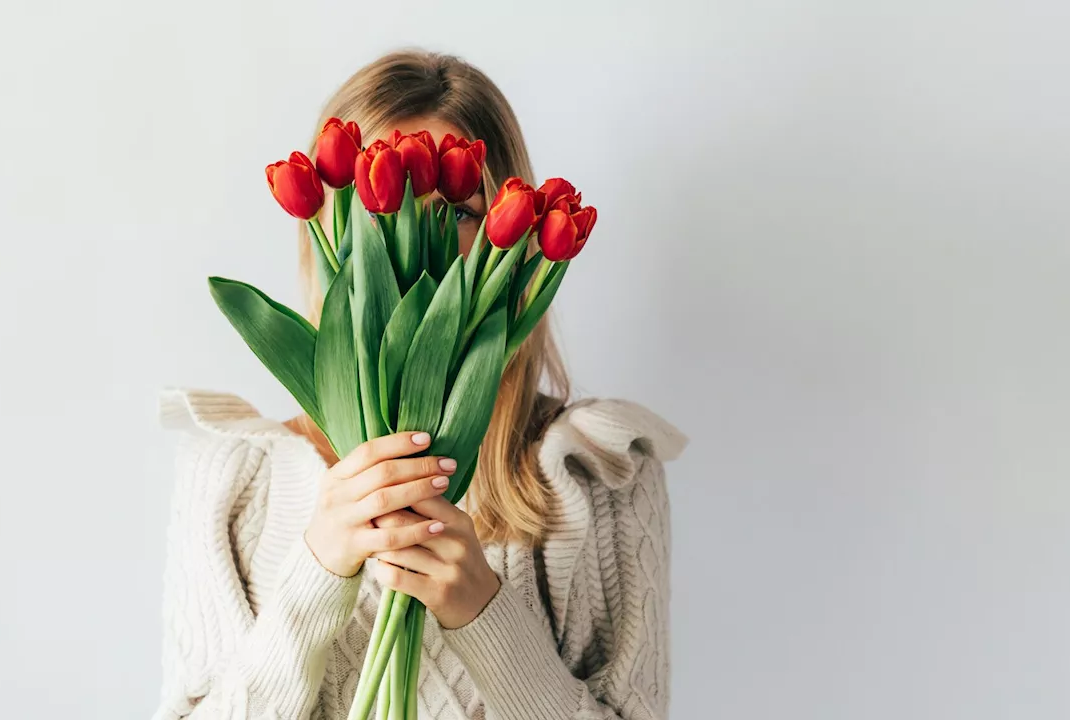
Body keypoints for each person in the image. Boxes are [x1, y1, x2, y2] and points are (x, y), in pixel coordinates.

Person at [152, 50, 688, 720]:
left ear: (509, 230)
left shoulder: (596, 474)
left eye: (457, 211)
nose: (413, 241)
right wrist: (317, 574)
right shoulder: (232, 480)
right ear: (325, 219)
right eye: (384, 204)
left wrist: (486, 616)